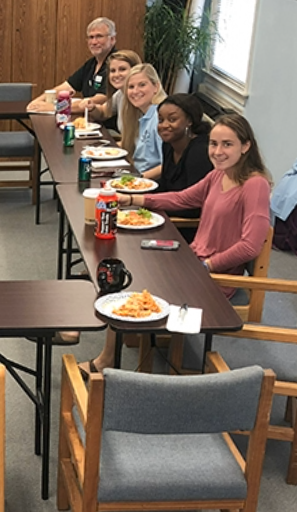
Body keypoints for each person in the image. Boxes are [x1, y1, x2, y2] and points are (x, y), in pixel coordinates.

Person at [81, 114, 272, 377]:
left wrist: (207, 265)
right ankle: (104, 339)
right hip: (193, 262)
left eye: (227, 144)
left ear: (246, 146)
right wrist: (133, 200)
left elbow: (251, 246)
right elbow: (182, 199)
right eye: (213, 144)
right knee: (126, 268)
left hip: (214, 278)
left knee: (131, 282)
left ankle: (107, 359)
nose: (218, 151)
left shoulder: (255, 185)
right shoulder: (219, 175)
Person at [143, 93, 214, 234]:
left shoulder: (200, 152)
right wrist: (136, 194)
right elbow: (165, 185)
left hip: (188, 228)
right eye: (161, 120)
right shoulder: (169, 144)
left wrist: (150, 204)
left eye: (172, 119)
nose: (164, 125)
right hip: (166, 216)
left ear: (189, 121)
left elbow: (194, 205)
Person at [28, 17, 117, 114]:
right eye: (91, 37)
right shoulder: (91, 64)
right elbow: (67, 87)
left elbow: (98, 100)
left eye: (99, 36)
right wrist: (36, 102)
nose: (94, 42)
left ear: (112, 39)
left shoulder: (117, 64)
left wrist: (54, 107)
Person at [119, 64, 167, 173]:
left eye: (142, 85)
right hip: (134, 172)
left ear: (156, 87)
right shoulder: (140, 114)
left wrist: (137, 179)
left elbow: (167, 164)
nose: (135, 91)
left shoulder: (159, 117)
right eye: (131, 87)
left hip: (148, 179)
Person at [82, 50, 142, 131]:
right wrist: (92, 107)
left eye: (122, 69)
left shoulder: (143, 97)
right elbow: (103, 112)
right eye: (113, 71)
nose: (116, 75)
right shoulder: (120, 94)